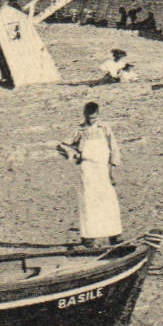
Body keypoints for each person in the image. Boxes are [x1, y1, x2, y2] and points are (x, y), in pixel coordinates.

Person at [58, 102, 122, 246]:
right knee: (89, 202)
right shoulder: (79, 130)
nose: (91, 121)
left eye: (94, 118)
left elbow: (114, 149)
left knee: (109, 201)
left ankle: (114, 235)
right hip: (87, 170)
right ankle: (89, 237)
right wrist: (75, 155)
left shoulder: (105, 129)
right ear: (84, 115)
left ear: (98, 115)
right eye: (89, 118)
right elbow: (62, 146)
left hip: (103, 169)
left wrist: (112, 170)